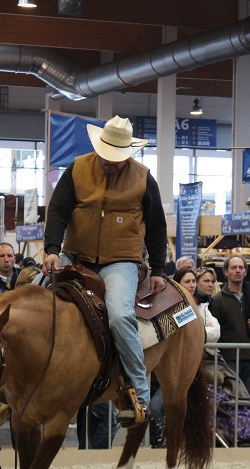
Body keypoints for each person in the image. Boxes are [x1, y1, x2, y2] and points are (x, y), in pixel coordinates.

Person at [42, 115, 168, 428]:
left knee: (120, 314)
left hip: (121, 260)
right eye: (106, 156)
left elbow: (156, 226)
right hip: (75, 255)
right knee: (34, 297)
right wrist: (51, 250)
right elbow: (57, 210)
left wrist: (159, 268)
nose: (110, 163)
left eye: (117, 158)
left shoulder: (143, 178)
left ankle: (137, 389)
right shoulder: (77, 168)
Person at [208, 255, 250, 398]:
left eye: (241, 267)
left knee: (246, 398)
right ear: (226, 272)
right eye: (233, 268)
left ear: (245, 272)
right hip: (228, 359)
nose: (238, 271)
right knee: (228, 398)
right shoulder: (217, 301)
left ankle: (245, 421)